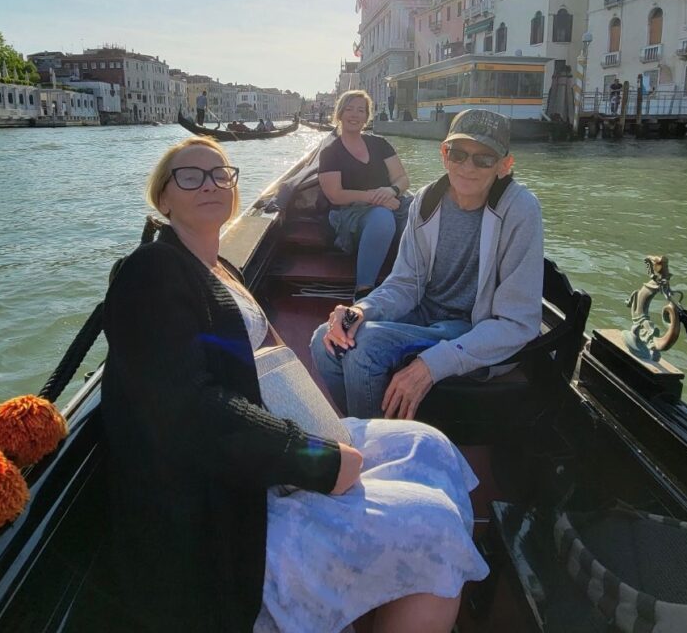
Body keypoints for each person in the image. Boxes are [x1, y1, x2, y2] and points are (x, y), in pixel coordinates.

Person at [101, 136, 489, 632]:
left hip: (264, 451)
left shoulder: (222, 269)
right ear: (164, 198)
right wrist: (319, 459)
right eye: (190, 176)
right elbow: (190, 410)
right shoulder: (151, 270)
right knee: (433, 525)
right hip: (220, 504)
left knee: (429, 446)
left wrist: (324, 435)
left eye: (220, 174)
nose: (209, 184)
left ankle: (397, 598)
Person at [311, 109, 544, 420]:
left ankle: (376, 446)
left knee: (367, 346)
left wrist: (433, 363)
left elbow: (518, 323)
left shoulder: (520, 210)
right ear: (444, 154)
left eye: (483, 159)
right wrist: (362, 310)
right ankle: (375, 426)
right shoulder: (427, 201)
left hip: (475, 326)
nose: (467, 167)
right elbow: (406, 282)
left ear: (504, 165)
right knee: (326, 342)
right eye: (458, 154)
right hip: (426, 312)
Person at [318, 90, 412, 300]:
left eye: (361, 110)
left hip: (390, 200)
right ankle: (363, 290)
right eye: (349, 109)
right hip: (350, 211)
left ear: (367, 116)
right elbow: (335, 195)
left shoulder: (380, 144)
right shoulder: (330, 152)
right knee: (382, 218)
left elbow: (402, 179)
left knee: (421, 214)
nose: (355, 114)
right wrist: (375, 197)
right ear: (340, 113)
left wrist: (391, 190)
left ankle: (416, 281)